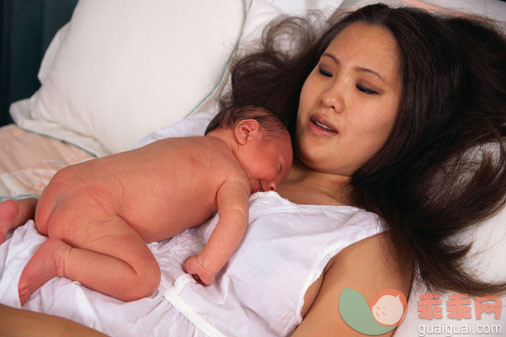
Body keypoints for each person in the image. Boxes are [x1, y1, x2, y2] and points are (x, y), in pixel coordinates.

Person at [0, 3, 505, 336]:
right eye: (325, 71)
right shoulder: (226, 135)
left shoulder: (366, 248)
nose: (330, 95)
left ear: (415, 121)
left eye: (365, 88)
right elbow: (98, 190)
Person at [0, 105, 293, 304]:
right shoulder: (232, 175)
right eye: (278, 167)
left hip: (63, 185)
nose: (273, 187)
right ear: (246, 132)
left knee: (51, 212)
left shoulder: (183, 143)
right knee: (144, 278)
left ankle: (20, 210)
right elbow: (236, 217)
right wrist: (207, 263)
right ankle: (61, 259)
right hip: (92, 211)